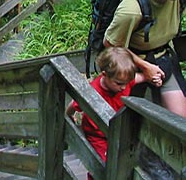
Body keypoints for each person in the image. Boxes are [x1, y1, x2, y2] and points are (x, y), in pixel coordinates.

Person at [66, 47, 155, 180]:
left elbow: (139, 78)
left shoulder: (123, 80)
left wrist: (152, 78)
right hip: (96, 135)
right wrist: (68, 117)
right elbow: (73, 104)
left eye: (126, 83)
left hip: (116, 131)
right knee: (100, 164)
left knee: (121, 161)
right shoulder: (91, 93)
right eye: (119, 83)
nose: (124, 87)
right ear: (104, 74)